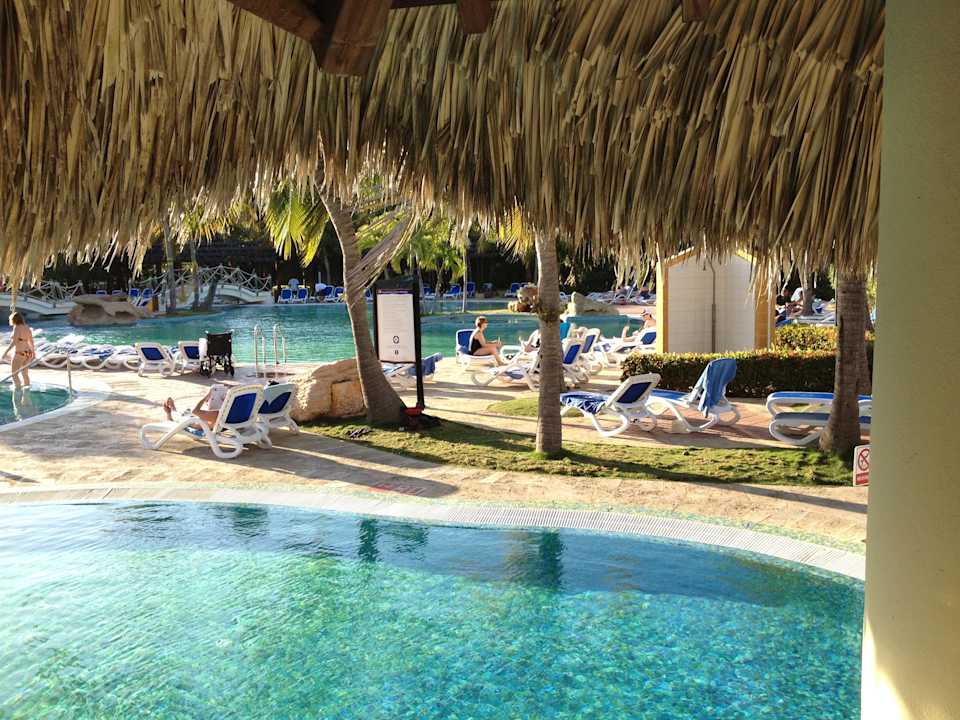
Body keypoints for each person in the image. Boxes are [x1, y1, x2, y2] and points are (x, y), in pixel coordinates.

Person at [159, 384, 228, 426]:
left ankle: (170, 412)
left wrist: (206, 396)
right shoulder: (227, 413)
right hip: (199, 419)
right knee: (187, 412)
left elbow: (195, 411)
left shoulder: (216, 415)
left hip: (191, 423)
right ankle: (172, 411)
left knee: (179, 415)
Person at [1, 312, 36, 388]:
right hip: (27, 353)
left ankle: (17, 390)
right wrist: (33, 353)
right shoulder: (27, 327)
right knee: (25, 374)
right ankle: (26, 392)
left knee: (14, 374)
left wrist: (5, 352)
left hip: (19, 353)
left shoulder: (17, 327)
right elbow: (31, 342)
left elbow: (14, 342)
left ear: (13, 320)